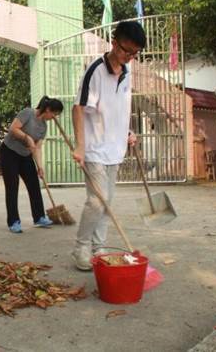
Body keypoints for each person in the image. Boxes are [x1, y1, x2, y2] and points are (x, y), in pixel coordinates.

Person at [70, 21, 146, 270]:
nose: (130, 57)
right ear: (114, 42)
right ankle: (81, 247)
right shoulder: (95, 71)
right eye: (127, 51)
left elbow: (119, 108)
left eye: (135, 53)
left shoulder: (127, 72)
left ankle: (99, 248)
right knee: (97, 201)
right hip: (94, 149)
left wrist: (127, 131)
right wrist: (80, 146)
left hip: (115, 149)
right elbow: (78, 108)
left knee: (107, 202)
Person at [1, 96, 64, 233]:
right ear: (47, 109)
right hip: (9, 152)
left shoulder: (43, 127)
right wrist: (26, 137)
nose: (54, 117)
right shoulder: (27, 113)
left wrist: (40, 167)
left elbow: (38, 148)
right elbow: (13, 128)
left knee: (34, 185)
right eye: (54, 114)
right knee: (12, 186)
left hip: (25, 155)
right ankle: (13, 221)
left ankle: (39, 217)